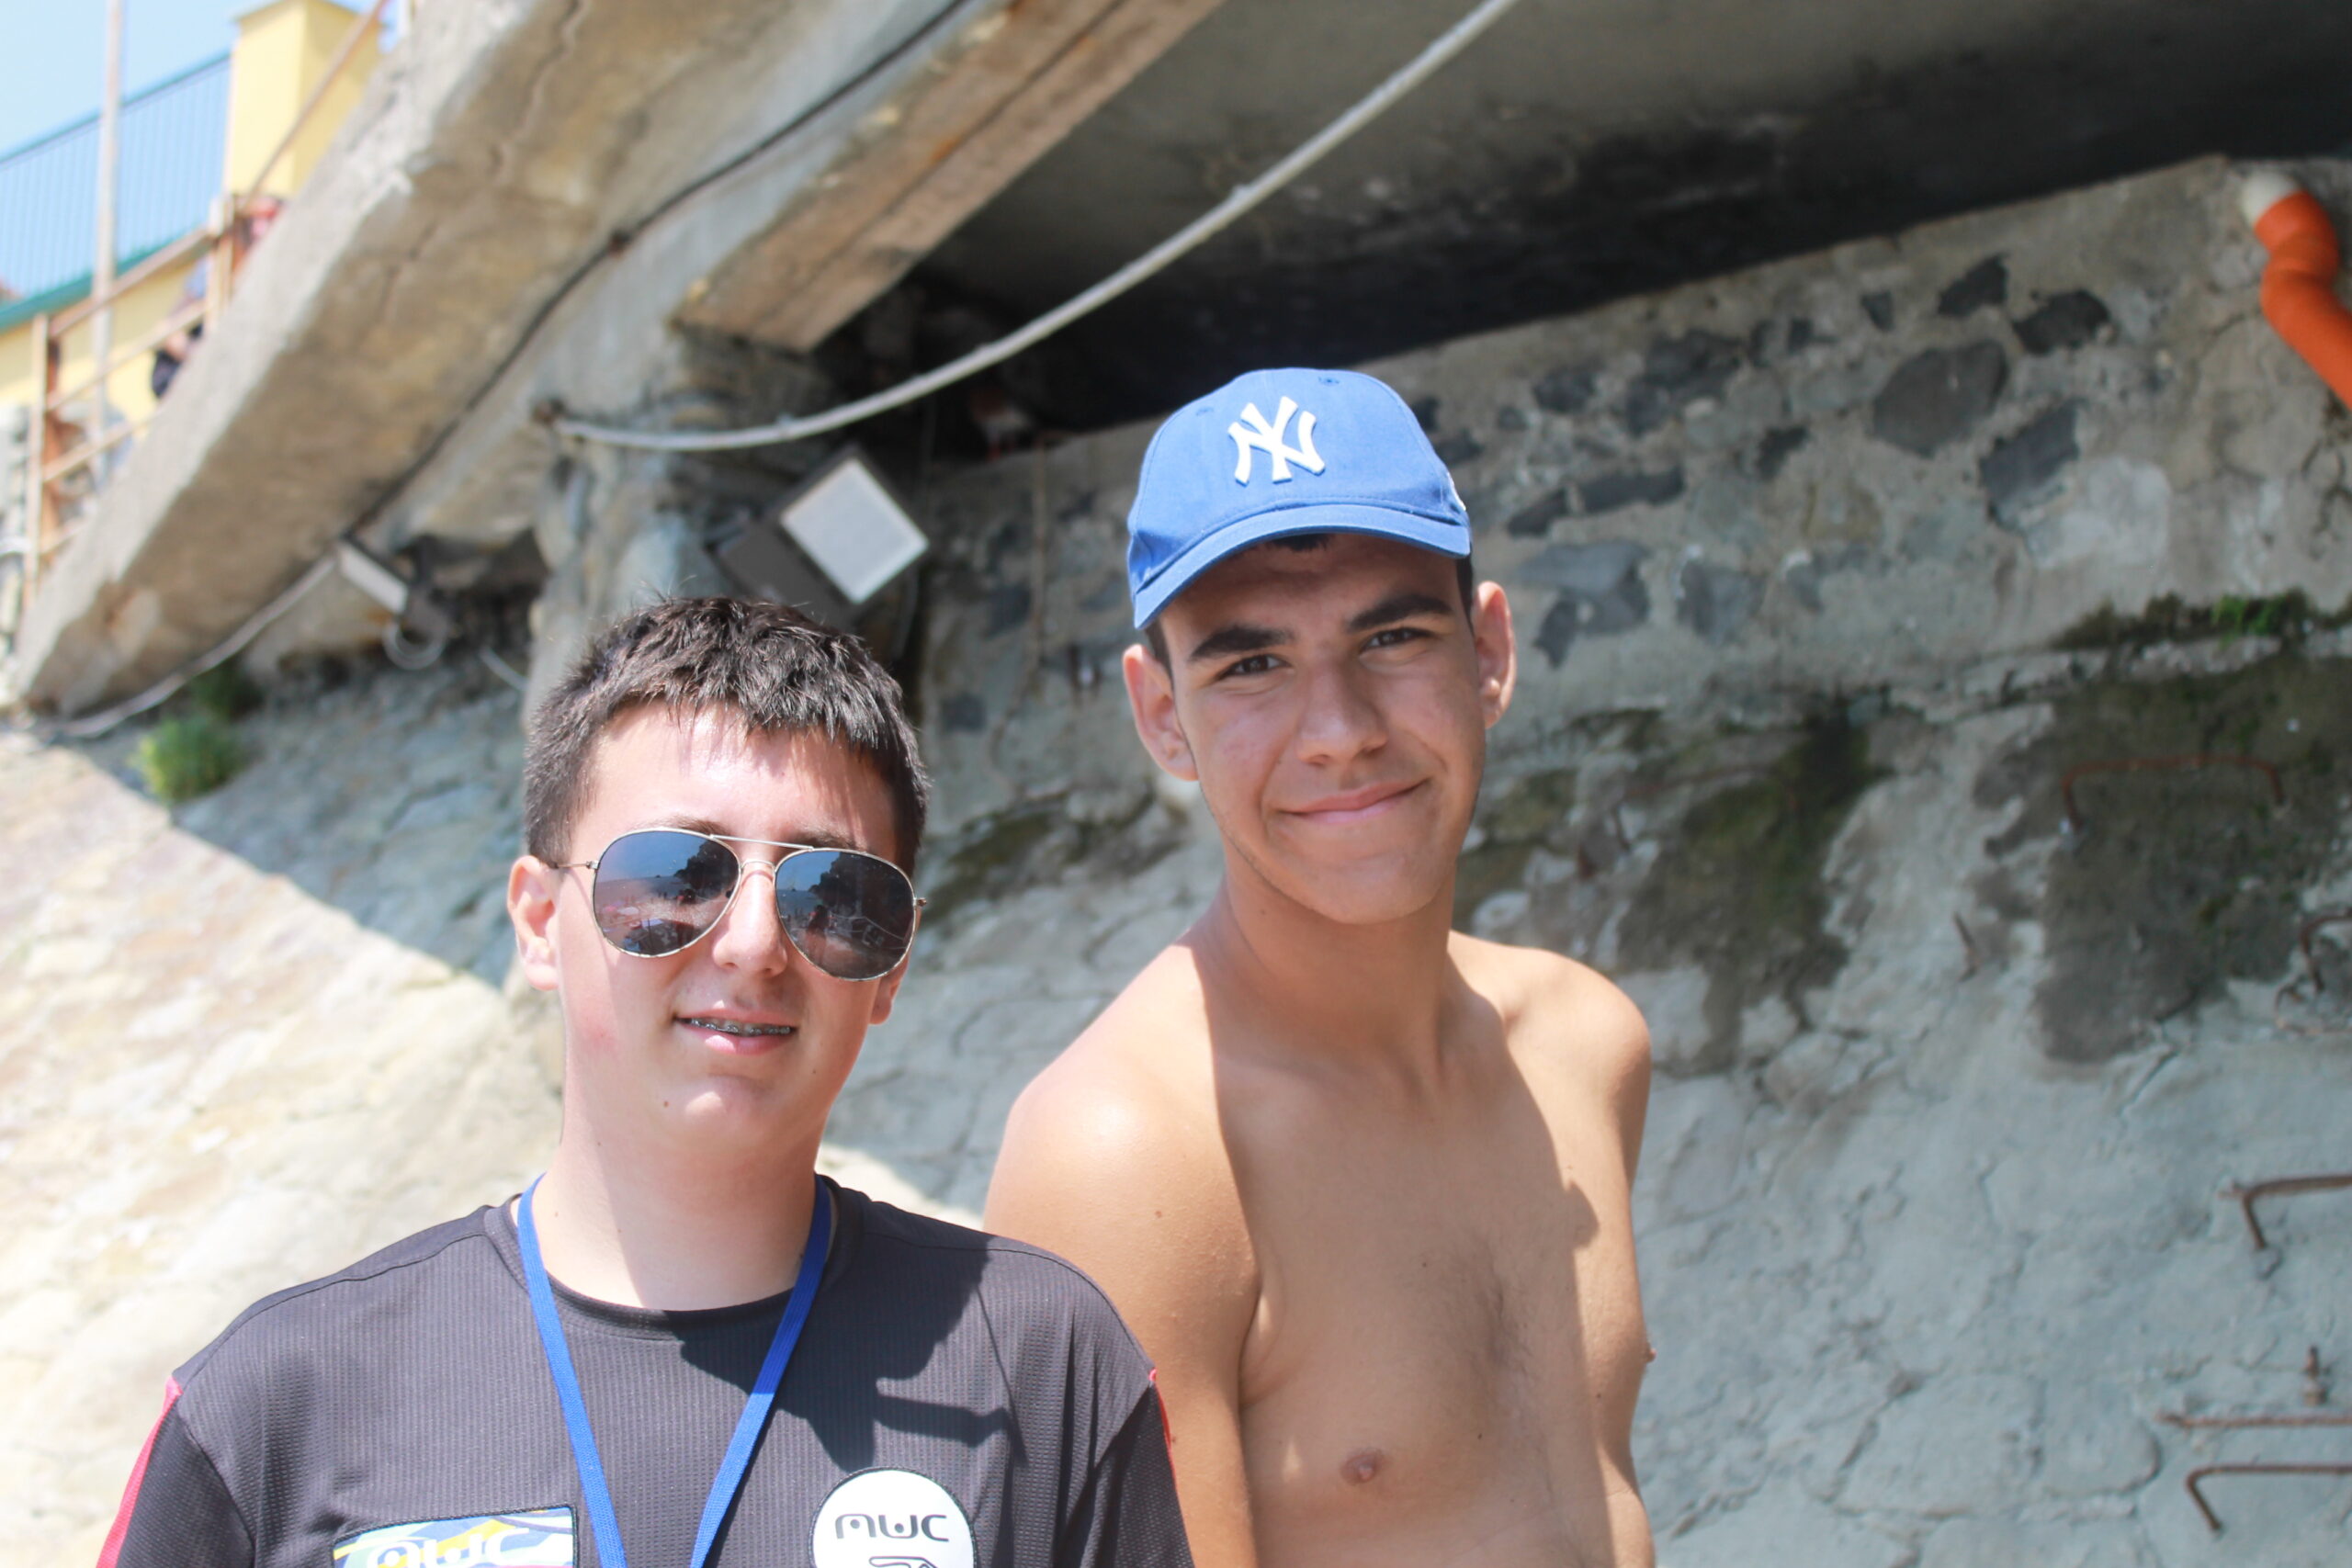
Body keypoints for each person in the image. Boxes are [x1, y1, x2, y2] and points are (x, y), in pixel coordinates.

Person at [100, 598, 1193, 1568]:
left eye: (833, 894)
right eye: (676, 875)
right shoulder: (277, 1409)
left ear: (892, 966)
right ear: (540, 921)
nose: (755, 944)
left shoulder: (1041, 1365)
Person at [986, 369, 1657, 1568]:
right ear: (1161, 714)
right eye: (1251, 666)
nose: (1341, 728)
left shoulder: (1586, 1045)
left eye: (1390, 637)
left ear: (1489, 651)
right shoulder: (1131, 1158)